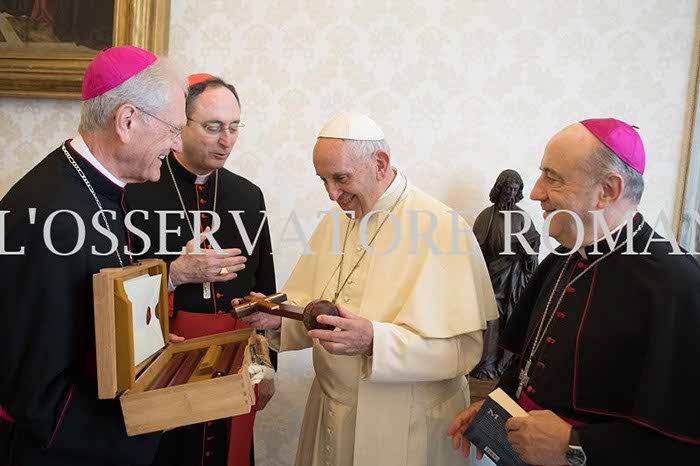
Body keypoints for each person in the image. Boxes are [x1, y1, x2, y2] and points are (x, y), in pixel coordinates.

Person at [240, 112, 499, 466]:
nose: (332, 194)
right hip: (331, 411)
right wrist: (280, 318)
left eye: (340, 178)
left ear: (380, 163)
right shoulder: (337, 221)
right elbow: (316, 308)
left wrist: (375, 341)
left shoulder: (442, 228)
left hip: (406, 424)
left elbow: (462, 351)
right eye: (323, 180)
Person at [449, 118, 700, 465]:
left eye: (552, 177)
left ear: (608, 190)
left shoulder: (678, 286)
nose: (535, 192)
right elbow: (526, 364)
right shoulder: (563, 258)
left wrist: (576, 446)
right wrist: (495, 407)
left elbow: (685, 442)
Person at [0, 45, 186, 466]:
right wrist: (140, 428)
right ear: (127, 121)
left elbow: (84, 324)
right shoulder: (51, 215)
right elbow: (33, 390)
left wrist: (144, 350)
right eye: (173, 129)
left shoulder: (95, 189)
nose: (177, 145)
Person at [126, 73, 276, 466]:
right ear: (181, 124)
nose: (226, 140)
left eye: (234, 127)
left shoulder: (248, 195)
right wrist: (174, 273)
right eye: (213, 128)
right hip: (163, 361)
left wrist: (265, 366)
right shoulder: (137, 191)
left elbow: (264, 288)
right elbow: (111, 286)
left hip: (236, 360)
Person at [470, 169, 540, 379]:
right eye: (507, 188)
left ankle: (505, 364)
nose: (510, 193)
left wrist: (526, 252)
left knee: (510, 318)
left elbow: (532, 251)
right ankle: (485, 364)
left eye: (514, 189)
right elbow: (475, 250)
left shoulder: (522, 217)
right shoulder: (486, 216)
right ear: (499, 189)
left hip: (514, 277)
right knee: (490, 319)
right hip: (491, 275)